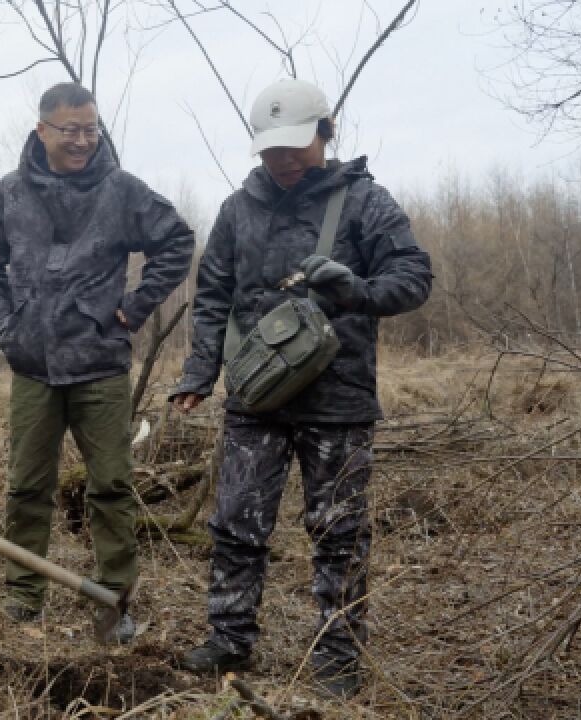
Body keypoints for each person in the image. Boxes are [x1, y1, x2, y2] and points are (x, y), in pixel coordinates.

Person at [170, 78, 432, 697]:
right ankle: (230, 639)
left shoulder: (366, 203)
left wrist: (357, 291)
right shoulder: (238, 209)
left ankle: (338, 654)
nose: (283, 157)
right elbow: (211, 298)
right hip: (255, 398)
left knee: (339, 530)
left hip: (337, 401)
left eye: (296, 143)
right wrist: (199, 374)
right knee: (235, 522)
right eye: (271, 147)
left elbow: (414, 278)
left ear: (324, 132)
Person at [0, 82, 194, 642]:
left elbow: (176, 241)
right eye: (70, 129)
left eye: (91, 129)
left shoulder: (121, 190)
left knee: (113, 485)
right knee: (26, 487)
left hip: (100, 364)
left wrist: (135, 305)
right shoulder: (11, 192)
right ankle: (24, 598)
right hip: (33, 366)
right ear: (42, 129)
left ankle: (113, 602)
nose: (82, 140)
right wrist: (5, 321)